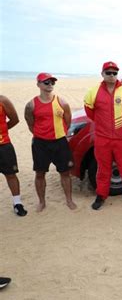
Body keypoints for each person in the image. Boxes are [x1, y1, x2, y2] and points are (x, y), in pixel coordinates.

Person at [84, 62, 122, 210]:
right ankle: (101, 195)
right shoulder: (93, 91)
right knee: (103, 169)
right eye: (108, 72)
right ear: (102, 74)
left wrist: (121, 126)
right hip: (102, 139)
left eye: (114, 73)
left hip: (121, 138)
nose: (112, 75)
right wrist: (103, 124)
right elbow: (90, 112)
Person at [24, 73, 77, 212]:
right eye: (46, 82)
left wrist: (58, 133)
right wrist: (42, 135)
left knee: (65, 173)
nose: (50, 85)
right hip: (40, 144)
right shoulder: (31, 105)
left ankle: (69, 200)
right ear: (38, 84)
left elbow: (68, 121)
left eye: (52, 82)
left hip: (60, 142)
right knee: (40, 174)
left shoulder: (62, 102)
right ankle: (42, 202)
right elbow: (30, 124)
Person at [0, 95, 27, 216]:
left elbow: (14, 120)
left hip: (3, 145)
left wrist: (3, 130)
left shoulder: (3, 100)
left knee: (11, 174)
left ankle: (17, 203)